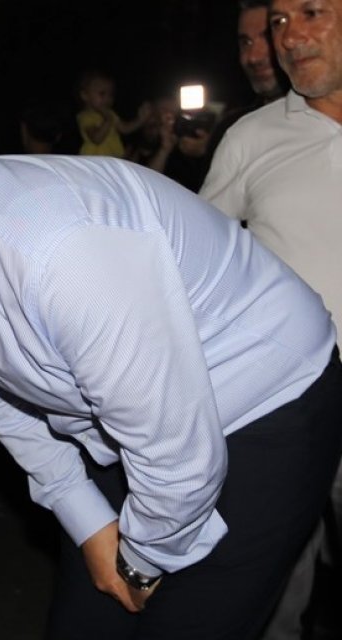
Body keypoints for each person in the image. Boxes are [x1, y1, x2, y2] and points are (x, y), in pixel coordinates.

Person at [0, 70, 342, 639]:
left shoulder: (61, 253)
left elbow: (177, 457)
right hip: (142, 421)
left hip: (267, 401)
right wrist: (88, 520)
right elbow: (3, 397)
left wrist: (138, 559)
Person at [200, 0, 342, 635]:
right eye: (279, 21)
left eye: (311, 13)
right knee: (269, 594)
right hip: (286, 404)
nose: (290, 37)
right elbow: (196, 261)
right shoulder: (252, 138)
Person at [75, 70, 151, 158]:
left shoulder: (111, 114)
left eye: (111, 95)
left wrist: (140, 120)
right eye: (102, 94)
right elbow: (96, 139)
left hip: (112, 159)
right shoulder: (86, 116)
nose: (107, 99)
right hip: (94, 160)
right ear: (85, 95)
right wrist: (108, 120)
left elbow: (125, 128)